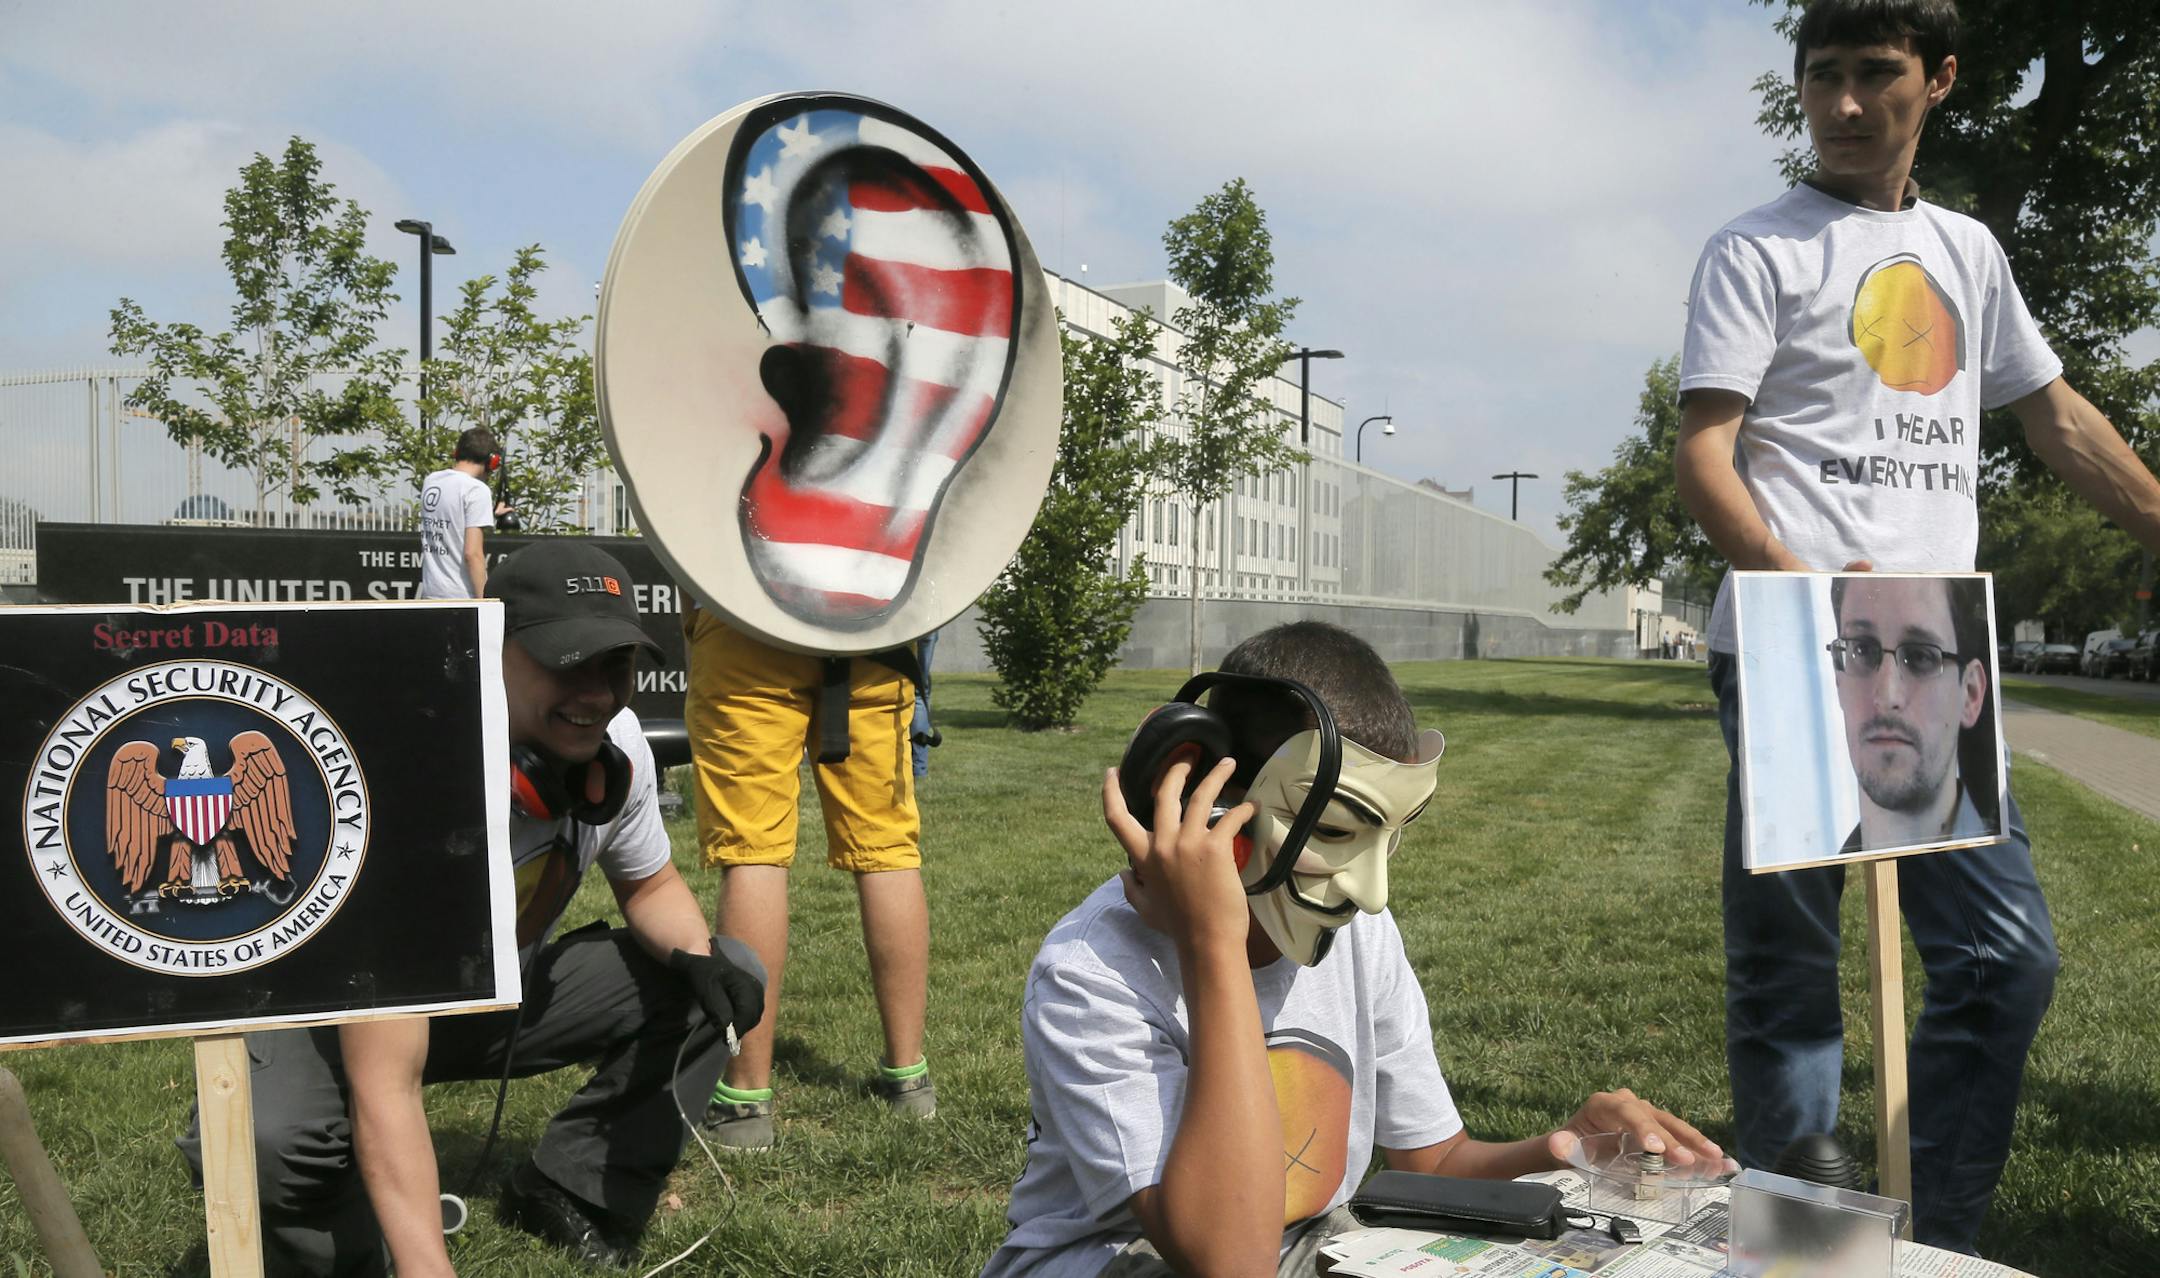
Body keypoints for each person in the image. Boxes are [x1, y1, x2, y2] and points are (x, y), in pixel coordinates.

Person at [1673, 0, 2160, 1249]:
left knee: (2006, 958)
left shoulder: (1968, 253)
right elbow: (1707, 458)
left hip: (1940, 648)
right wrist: (1803, 603)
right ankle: (1810, 1252)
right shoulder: (1756, 249)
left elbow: (2057, 419)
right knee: (1789, 980)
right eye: (1819, 76)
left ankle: (1928, 1239)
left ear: (1937, 81)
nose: (1841, 104)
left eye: (1873, 75)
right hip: (1793, 644)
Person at [982, 622, 1723, 1277]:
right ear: (1204, 795)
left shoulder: (1358, 930)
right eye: (1335, 833)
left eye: (1387, 839)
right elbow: (1228, 1262)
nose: (1369, 891)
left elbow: (1434, 1163)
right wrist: (1212, 943)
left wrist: (1566, 1149)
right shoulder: (1093, 972)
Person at [180, 542, 767, 1275]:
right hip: (338, 1014)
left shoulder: (614, 749)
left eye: (613, 665)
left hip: (492, 999)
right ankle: (344, 1241)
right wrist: (429, 1265)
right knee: (266, 1138)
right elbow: (383, 1075)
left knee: (723, 970)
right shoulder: (412, 777)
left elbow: (649, 886)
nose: (594, 694)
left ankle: (569, 1190)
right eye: (567, 662)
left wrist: (695, 959)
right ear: (489, 651)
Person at [686, 608, 934, 1150]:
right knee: (888, 848)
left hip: (744, 619)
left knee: (753, 851)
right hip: (877, 623)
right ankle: (909, 1077)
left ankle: (746, 1100)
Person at [1825, 576, 1996, 855]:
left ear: (1971, 694)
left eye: (1920, 656)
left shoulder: (1998, 886)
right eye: (1862, 650)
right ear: (1838, 681)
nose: (1886, 698)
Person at [417, 427, 513, 599]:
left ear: (457, 453)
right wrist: (485, 603)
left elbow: (452, 519)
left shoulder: (431, 481)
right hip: (461, 598)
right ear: (492, 461)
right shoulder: (476, 490)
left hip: (431, 595)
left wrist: (489, 513)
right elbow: (472, 554)